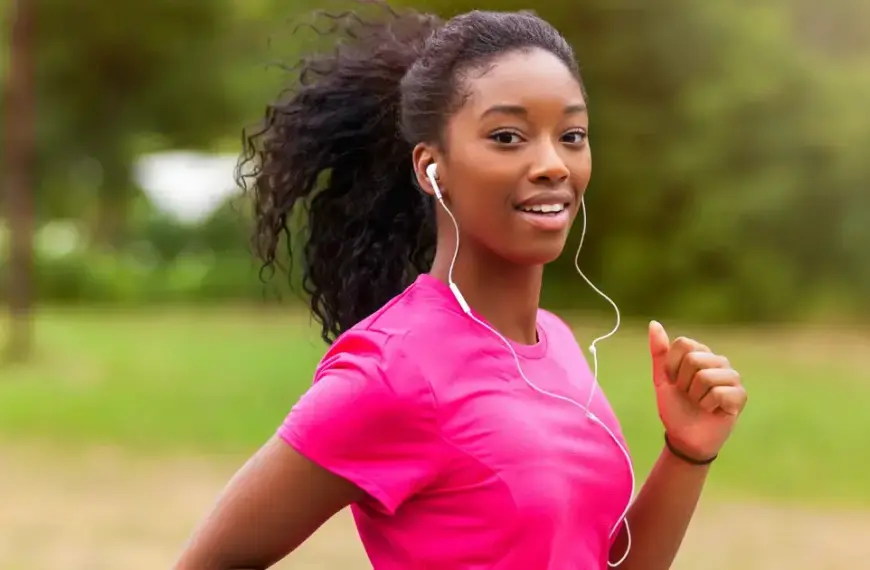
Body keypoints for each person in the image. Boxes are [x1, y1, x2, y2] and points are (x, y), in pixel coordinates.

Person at [174, 3, 748, 569]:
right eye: (507, 136)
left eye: (571, 134)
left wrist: (686, 452)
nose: (553, 163)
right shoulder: (393, 369)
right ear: (431, 167)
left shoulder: (559, 344)